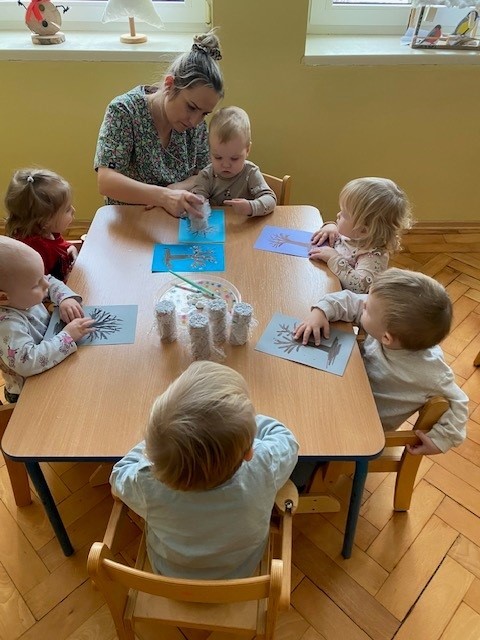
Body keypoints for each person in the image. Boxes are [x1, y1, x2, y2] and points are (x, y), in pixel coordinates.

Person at [110, 360, 298, 579]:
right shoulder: (263, 463)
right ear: (249, 452)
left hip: (169, 574)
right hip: (240, 572)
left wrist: (153, 445)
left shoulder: (146, 482)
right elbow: (287, 440)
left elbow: (119, 472)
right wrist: (250, 423)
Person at [294, 268, 468, 455]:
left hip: (359, 430)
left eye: (367, 309)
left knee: (300, 429)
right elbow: (351, 301)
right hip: (344, 387)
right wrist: (320, 312)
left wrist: (441, 440)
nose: (363, 304)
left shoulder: (433, 374)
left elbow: (459, 402)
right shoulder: (384, 322)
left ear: (386, 338)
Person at [94, 32, 224, 220]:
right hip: (129, 219)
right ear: (169, 85)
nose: (195, 121)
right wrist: (163, 196)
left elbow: (207, 173)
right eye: (191, 107)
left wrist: (177, 188)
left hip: (174, 220)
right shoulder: (124, 111)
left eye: (204, 113)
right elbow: (106, 181)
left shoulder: (196, 125)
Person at [0, 237, 93, 403]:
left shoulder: (21, 294)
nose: (46, 284)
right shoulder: (7, 325)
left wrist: (65, 298)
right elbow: (27, 362)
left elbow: (49, 280)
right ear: (3, 298)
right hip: (28, 392)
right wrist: (67, 337)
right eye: (37, 284)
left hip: (51, 363)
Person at [309, 177, 412, 293]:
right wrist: (330, 227)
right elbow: (339, 234)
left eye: (344, 214)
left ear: (364, 230)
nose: (338, 215)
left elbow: (360, 288)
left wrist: (333, 258)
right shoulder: (354, 234)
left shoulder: (372, 256)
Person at [191, 106, 277, 217]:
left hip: (244, 225)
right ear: (209, 149)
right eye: (218, 157)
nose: (226, 165)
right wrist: (197, 201)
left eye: (234, 158)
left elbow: (270, 199)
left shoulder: (251, 173)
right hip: (216, 226)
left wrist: (251, 207)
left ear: (247, 150)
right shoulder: (207, 175)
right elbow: (196, 197)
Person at [5, 168, 78, 282]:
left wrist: (70, 248)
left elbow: (59, 245)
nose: (73, 210)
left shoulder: (48, 231)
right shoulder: (35, 252)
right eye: (67, 209)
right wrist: (67, 280)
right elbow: (41, 287)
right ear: (46, 221)